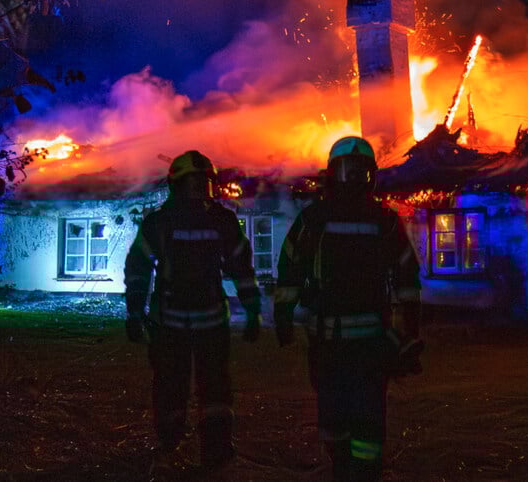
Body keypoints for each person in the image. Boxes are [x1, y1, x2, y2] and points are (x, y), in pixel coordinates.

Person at [274, 136, 423, 481]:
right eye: (348, 169)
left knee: (366, 415)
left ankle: (363, 471)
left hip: (365, 342)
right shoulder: (321, 220)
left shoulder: (377, 221)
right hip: (334, 341)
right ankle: (344, 464)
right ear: (333, 173)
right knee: (333, 413)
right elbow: (291, 270)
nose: (354, 177)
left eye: (361, 170)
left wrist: (410, 327)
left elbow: (406, 275)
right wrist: (283, 315)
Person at [123, 149, 261, 471]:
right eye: (194, 183)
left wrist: (253, 310)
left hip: (186, 323)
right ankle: (173, 445)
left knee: (211, 391)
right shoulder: (182, 222)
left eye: (205, 183)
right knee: (176, 387)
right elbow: (138, 269)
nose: (201, 189)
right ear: (177, 185)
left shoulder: (169, 222)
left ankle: (212, 450)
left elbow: (242, 267)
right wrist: (133, 311)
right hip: (186, 324)